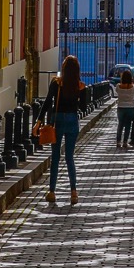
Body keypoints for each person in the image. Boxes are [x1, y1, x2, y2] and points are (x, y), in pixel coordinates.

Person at [43, 54, 84, 204]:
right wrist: (80, 93)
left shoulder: (56, 83)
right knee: (69, 157)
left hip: (58, 119)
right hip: (73, 120)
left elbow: (47, 102)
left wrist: (39, 121)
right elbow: (84, 107)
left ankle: (52, 191)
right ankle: (73, 192)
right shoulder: (78, 85)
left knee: (55, 158)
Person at [114, 67, 134, 149]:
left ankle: (118, 142)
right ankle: (125, 142)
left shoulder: (118, 86)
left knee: (120, 125)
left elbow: (117, 92)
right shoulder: (133, 87)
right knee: (128, 125)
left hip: (121, 107)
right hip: (131, 107)